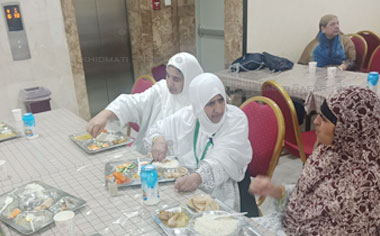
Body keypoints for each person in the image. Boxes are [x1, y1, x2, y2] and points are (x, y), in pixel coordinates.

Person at [250, 86, 380, 235]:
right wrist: (277, 191)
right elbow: (309, 197)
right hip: (289, 225)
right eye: (318, 114)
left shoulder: (364, 186)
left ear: (348, 130)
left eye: (324, 120)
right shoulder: (328, 150)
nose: (316, 121)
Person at [144, 73, 252, 211]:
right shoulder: (189, 116)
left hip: (222, 190)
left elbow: (223, 158)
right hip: (187, 184)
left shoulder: (235, 119)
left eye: (221, 100)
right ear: (198, 104)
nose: (218, 109)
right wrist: (158, 140)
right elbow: (155, 130)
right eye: (210, 103)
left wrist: (198, 177)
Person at [86, 52, 203, 154]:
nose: (170, 83)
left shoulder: (201, 102)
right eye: (168, 76)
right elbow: (133, 103)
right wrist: (105, 114)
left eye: (176, 79)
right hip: (150, 156)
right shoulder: (161, 91)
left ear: (190, 79)